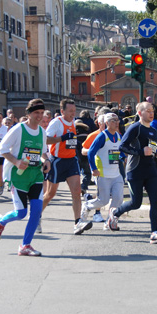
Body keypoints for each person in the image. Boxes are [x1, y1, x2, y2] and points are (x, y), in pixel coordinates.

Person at [0, 99, 51, 256]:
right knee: (21, 213)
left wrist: (46, 161)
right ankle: (1, 221)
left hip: (36, 175)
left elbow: (43, 152)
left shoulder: (42, 132)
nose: (39, 116)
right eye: (36, 113)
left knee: (37, 211)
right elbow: (1, 149)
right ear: (29, 113)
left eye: (41, 113)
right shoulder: (18, 129)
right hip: (18, 177)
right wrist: (16, 161)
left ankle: (25, 245)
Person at [105, 102, 157, 244]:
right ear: (139, 113)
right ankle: (115, 213)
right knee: (136, 203)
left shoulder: (153, 130)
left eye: (152, 110)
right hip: (135, 170)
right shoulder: (135, 128)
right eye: (148, 111)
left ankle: (154, 233)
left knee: (155, 201)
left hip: (151, 169)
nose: (151, 113)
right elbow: (122, 146)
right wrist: (140, 152)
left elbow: (150, 148)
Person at [43, 99, 91, 235]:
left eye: (74, 111)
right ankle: (37, 216)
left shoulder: (73, 121)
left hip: (71, 160)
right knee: (50, 194)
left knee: (76, 192)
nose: (72, 114)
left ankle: (78, 223)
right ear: (62, 111)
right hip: (57, 161)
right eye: (70, 111)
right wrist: (62, 138)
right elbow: (45, 139)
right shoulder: (56, 123)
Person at [84, 113, 124, 229]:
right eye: (112, 121)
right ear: (106, 123)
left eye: (117, 120)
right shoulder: (102, 136)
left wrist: (122, 157)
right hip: (103, 174)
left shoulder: (118, 136)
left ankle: (109, 222)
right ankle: (87, 205)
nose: (116, 123)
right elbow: (91, 152)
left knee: (118, 199)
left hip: (116, 174)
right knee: (103, 201)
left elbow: (119, 151)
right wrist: (94, 169)